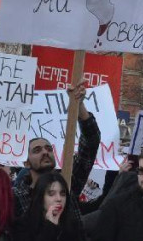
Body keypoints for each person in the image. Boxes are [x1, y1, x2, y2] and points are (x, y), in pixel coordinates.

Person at [12, 80, 99, 217]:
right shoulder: (16, 197)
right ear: (26, 163)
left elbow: (91, 142)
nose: (45, 152)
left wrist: (79, 104)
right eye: (37, 150)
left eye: (48, 148)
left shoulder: (69, 182)